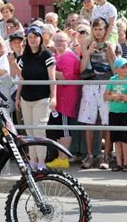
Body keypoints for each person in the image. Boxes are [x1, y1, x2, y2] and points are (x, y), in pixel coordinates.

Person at [15, 26, 57, 171]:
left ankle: (41, 161)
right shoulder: (24, 57)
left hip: (42, 97)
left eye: (35, 36)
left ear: (41, 38)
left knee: (39, 130)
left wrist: (53, 97)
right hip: (27, 97)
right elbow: (21, 78)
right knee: (29, 131)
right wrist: (17, 97)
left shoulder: (47, 55)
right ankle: (32, 160)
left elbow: (52, 79)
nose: (33, 40)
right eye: (30, 37)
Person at [78, 17, 118, 169]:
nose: (98, 32)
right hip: (90, 84)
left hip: (107, 84)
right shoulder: (87, 44)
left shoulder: (112, 43)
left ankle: (106, 156)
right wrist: (87, 53)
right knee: (88, 121)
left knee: (106, 122)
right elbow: (81, 70)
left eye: (101, 29)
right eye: (95, 29)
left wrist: (110, 52)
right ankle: (89, 155)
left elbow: (116, 66)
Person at [46, 32, 81, 169]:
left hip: (66, 98)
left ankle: (63, 158)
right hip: (58, 97)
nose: (59, 43)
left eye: (62, 41)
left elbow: (67, 77)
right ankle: (60, 157)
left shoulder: (68, 56)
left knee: (65, 128)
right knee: (60, 128)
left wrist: (50, 71)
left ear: (67, 42)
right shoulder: (57, 55)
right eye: (57, 41)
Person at [104, 58, 127, 172]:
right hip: (114, 112)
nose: (126, 68)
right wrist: (114, 96)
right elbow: (105, 96)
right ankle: (118, 163)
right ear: (116, 69)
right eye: (123, 67)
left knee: (126, 140)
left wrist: (115, 95)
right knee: (116, 140)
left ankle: (126, 163)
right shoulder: (112, 79)